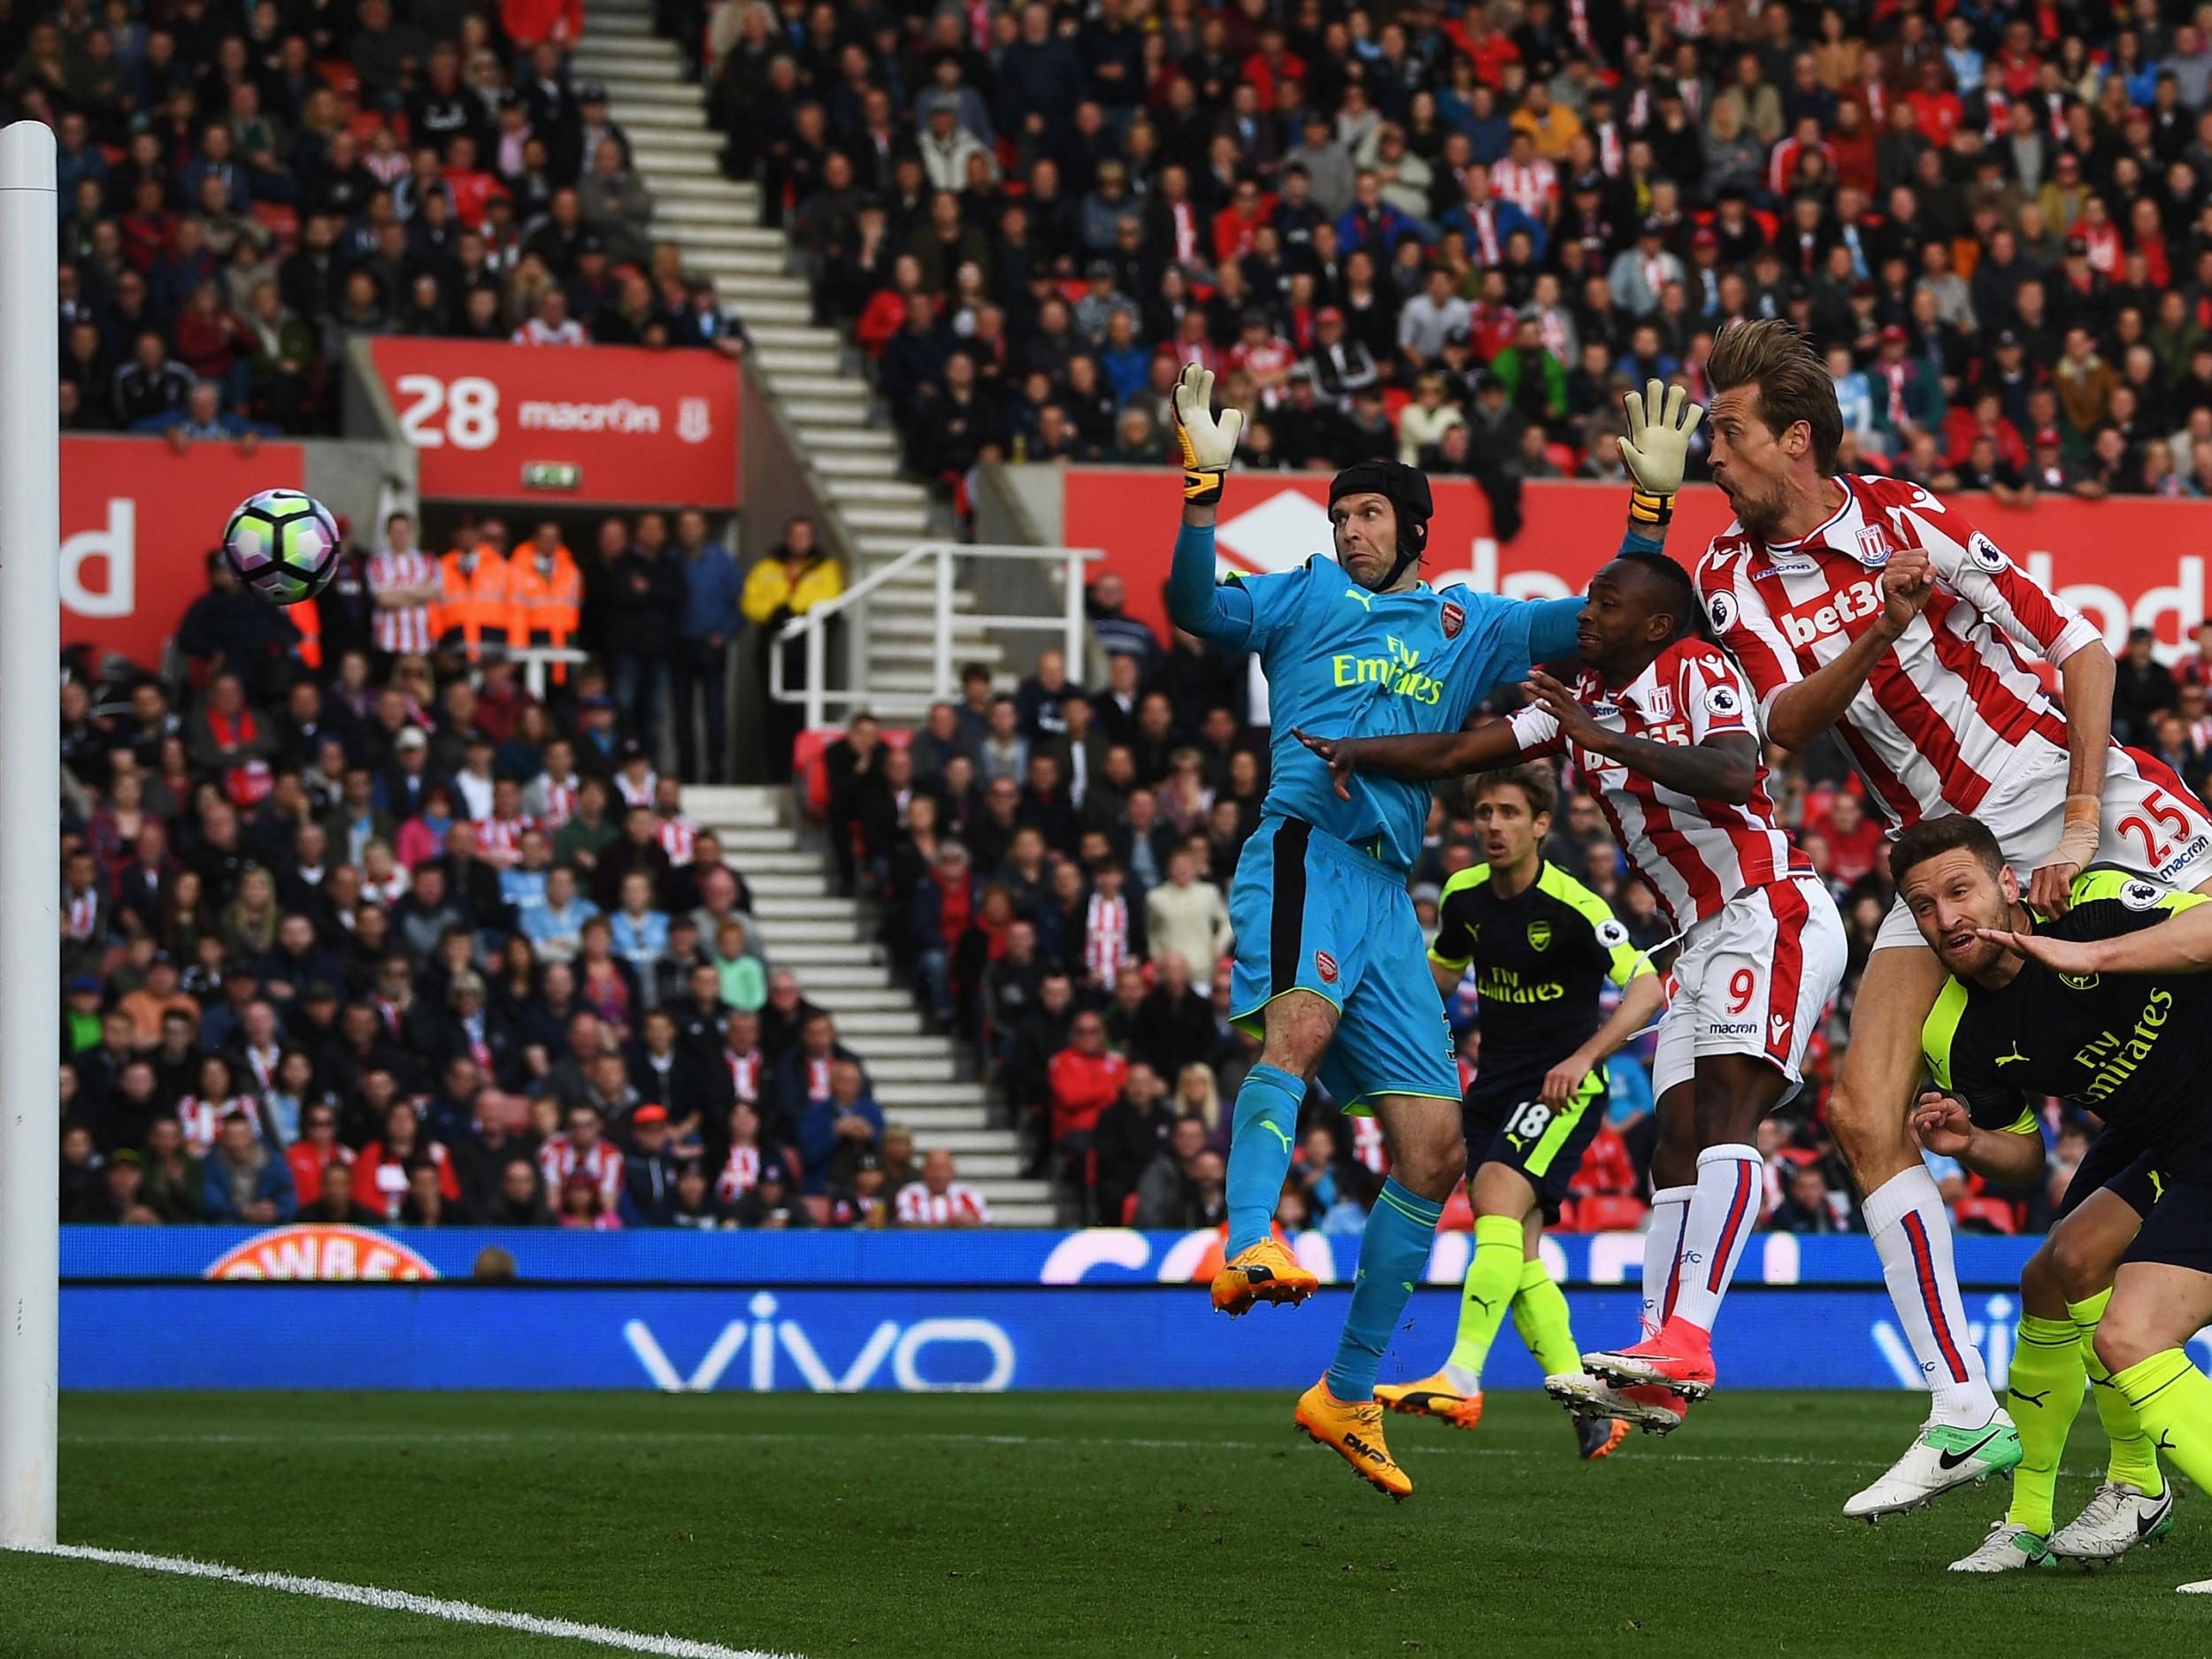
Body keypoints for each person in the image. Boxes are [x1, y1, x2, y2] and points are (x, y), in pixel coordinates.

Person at [1688, 319, 2212, 1517]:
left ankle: (2131, 1469)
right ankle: (1963, 1404)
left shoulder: (1906, 514)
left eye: (1729, 431)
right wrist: (1880, 624)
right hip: (1946, 861)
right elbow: (1786, 721)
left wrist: (2082, 819)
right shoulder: (1731, 574)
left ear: (1797, 437)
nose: (1712, 455)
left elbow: (2080, 647)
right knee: (1862, 1106)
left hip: (2080, 804)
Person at [1165, 361, 1691, 1500]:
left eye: (1364, 514)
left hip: (1390, 895)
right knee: (1293, 1031)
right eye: (1339, 515)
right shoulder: (1299, 593)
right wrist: (1202, 490)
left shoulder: (1473, 624)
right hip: (1306, 845)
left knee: (1436, 1151)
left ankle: (1348, 1393)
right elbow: (1194, 606)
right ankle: (1246, 1232)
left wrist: (1650, 511)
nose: (1347, 531)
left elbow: (1603, 627)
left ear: (1410, 526)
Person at [1303, 544, 1847, 1440]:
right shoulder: (1578, 704)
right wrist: (1355, 748)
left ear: (1655, 623)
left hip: (1764, 907)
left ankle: (1688, 1342)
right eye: (1586, 598)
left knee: (1723, 1122)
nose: (1583, 613)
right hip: (1694, 939)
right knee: (1671, 1148)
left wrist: (1602, 742)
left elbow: (1733, 771)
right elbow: (1452, 750)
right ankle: (1654, 1366)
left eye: (1604, 601)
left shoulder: (1693, 666)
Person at [1891, 817, 2211, 1578]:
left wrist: (2086, 954)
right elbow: (2026, 1156)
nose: (1947, 918)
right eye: (1924, 906)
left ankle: (2134, 1480)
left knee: (2130, 1334)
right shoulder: (1955, 1031)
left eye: (1960, 890)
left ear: (2007, 883)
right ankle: (2042, 1514)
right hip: (2160, 1133)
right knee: (2054, 1274)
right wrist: (1971, 1142)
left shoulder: (2092, 905)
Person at [1372, 763, 1662, 1460]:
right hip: (1494, 1088)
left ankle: (1462, 1374)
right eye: (1484, 812)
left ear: (1540, 824)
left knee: (1497, 1197)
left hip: (1561, 1090)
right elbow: (1441, 973)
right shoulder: (1464, 896)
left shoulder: (1575, 905)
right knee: (1520, 1250)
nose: (1493, 825)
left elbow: (1648, 988)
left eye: (1508, 812)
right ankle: (1588, 1401)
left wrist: (1585, 1057)